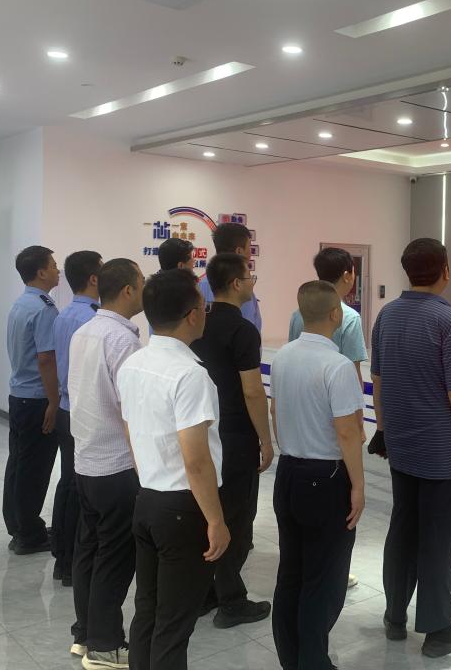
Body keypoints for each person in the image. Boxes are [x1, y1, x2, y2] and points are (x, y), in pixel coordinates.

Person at [372, 238, 451, 658]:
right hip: (441, 452)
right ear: (445, 271)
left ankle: (395, 616)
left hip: (402, 446)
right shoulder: (449, 321)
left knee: (403, 529)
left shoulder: (387, 315)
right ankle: (437, 629)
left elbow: (379, 381)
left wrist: (384, 430)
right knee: (438, 540)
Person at [118, 269, 229, 670]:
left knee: (148, 610)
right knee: (174, 623)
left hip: (147, 499)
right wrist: (215, 520)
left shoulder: (133, 364)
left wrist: (148, 475)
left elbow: (130, 431)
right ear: (192, 315)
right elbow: (195, 460)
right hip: (183, 508)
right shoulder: (190, 375)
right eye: (204, 308)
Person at [270, 280, 366, 670]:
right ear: (335, 314)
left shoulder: (283, 357)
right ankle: (313, 662)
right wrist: (358, 485)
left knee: (291, 572)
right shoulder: (337, 366)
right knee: (322, 579)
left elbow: (276, 411)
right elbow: (348, 432)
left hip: (289, 472)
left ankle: (292, 659)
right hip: (326, 479)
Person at [68, 259, 144, 670]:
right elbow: (130, 410)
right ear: (128, 290)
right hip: (115, 464)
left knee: (90, 550)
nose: (144, 289)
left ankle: (85, 634)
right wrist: (143, 467)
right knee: (115, 557)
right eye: (141, 282)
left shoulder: (85, 331)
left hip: (86, 459)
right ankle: (105, 646)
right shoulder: (121, 340)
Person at [191, 253, 273, 628]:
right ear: (237, 284)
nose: (253, 283)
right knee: (238, 519)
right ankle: (231, 600)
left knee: (212, 512)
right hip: (237, 435)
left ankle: (205, 592)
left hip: (203, 429)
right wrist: (266, 439)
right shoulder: (243, 331)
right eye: (250, 277)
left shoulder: (198, 323)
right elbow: (252, 391)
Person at [287, 247, 367, 591]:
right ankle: (334, 570)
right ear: (348, 275)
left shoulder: (300, 313)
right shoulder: (348, 316)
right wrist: (359, 422)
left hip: (301, 416)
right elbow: (352, 370)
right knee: (337, 509)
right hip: (336, 415)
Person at [4, 245, 61, 554]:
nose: (57, 270)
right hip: (38, 398)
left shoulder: (22, 302)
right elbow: (46, 359)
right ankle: (29, 534)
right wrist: (53, 401)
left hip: (19, 395)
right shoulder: (43, 309)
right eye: (52, 265)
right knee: (34, 470)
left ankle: (17, 526)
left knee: (18, 464)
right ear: (41, 272)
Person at [51, 250, 103, 586]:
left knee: (69, 482)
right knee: (80, 487)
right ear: (94, 279)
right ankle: (72, 559)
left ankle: (62, 554)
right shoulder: (91, 321)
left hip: (66, 408)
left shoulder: (64, 314)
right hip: (83, 412)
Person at [197, 223, 260, 332]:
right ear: (239, 251)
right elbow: (250, 330)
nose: (251, 253)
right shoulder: (242, 289)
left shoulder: (199, 287)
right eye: (249, 247)